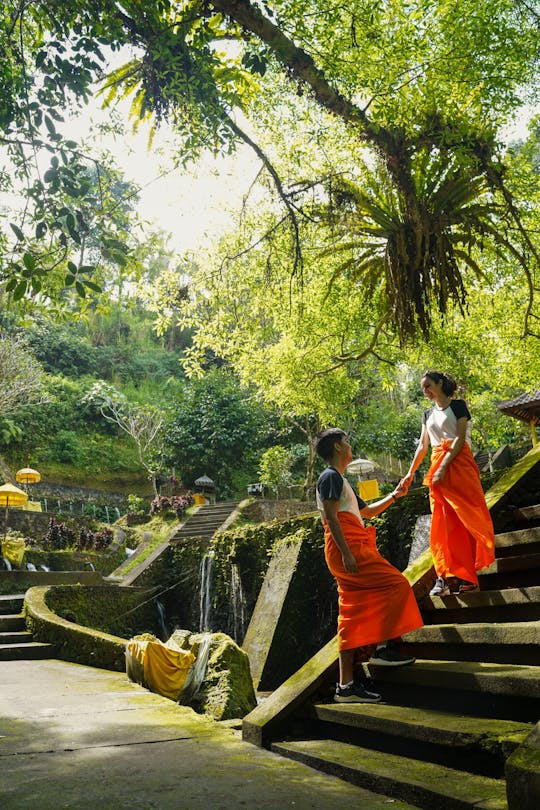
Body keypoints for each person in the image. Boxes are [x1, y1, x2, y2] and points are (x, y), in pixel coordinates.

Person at [315, 428, 424, 704]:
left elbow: (368, 512)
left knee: (351, 614)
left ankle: (346, 686)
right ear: (338, 447)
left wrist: (396, 495)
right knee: (396, 583)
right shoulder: (330, 476)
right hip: (348, 547)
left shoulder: (340, 480)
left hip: (349, 545)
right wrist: (347, 553)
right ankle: (384, 648)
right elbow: (330, 516)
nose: (350, 445)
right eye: (346, 441)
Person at [400, 370, 495, 596]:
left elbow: (460, 439)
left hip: (459, 466)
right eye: (423, 388)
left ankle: (467, 577)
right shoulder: (426, 414)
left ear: (440, 383)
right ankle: (443, 577)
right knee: (441, 525)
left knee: (466, 521)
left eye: (428, 386)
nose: (425, 391)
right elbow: (422, 447)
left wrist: (444, 466)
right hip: (437, 470)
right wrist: (410, 474)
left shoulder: (458, 406)